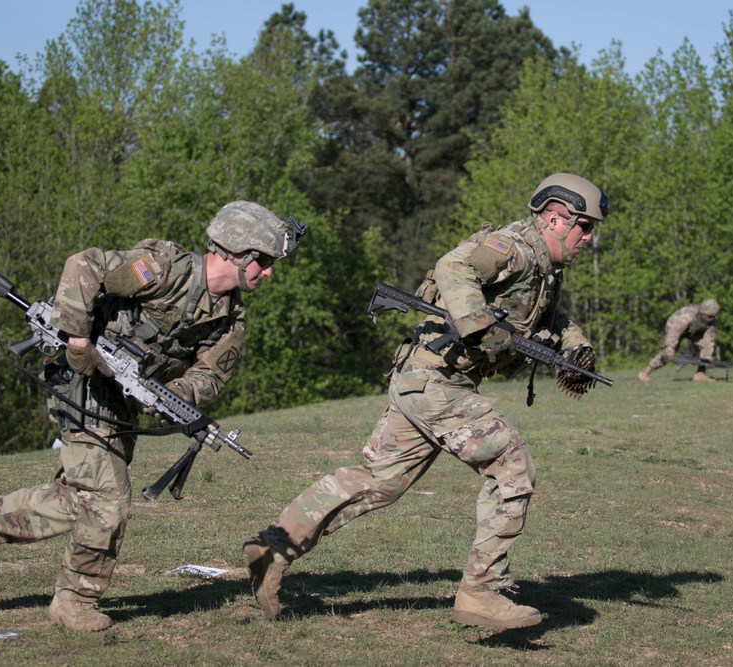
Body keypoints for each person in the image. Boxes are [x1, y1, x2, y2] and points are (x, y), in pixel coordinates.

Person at [242, 173, 607, 630]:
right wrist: (478, 325)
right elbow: (454, 267)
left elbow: (550, 316)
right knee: (510, 463)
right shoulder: (512, 247)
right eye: (585, 227)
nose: (588, 239)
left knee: (381, 481)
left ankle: (273, 547)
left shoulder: (544, 268)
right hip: (437, 379)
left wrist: (574, 346)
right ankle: (482, 592)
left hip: (426, 380)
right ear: (556, 217)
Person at [0, 201, 304, 632]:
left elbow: (209, 377)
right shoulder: (163, 268)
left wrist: (171, 397)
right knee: (108, 499)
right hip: (82, 383)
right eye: (263, 262)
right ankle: (74, 601)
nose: (269, 273)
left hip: (123, 399)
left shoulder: (231, 320)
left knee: (78, 499)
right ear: (235, 252)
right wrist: (78, 340)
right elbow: (84, 265)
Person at [637, 300, 721, 383]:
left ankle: (700, 374)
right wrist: (670, 350)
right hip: (674, 326)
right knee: (667, 353)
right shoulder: (687, 316)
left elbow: (709, 339)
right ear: (702, 313)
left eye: (713, 317)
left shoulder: (711, 322)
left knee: (705, 346)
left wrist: (707, 359)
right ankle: (645, 373)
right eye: (709, 317)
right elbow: (674, 333)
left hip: (692, 330)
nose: (711, 319)